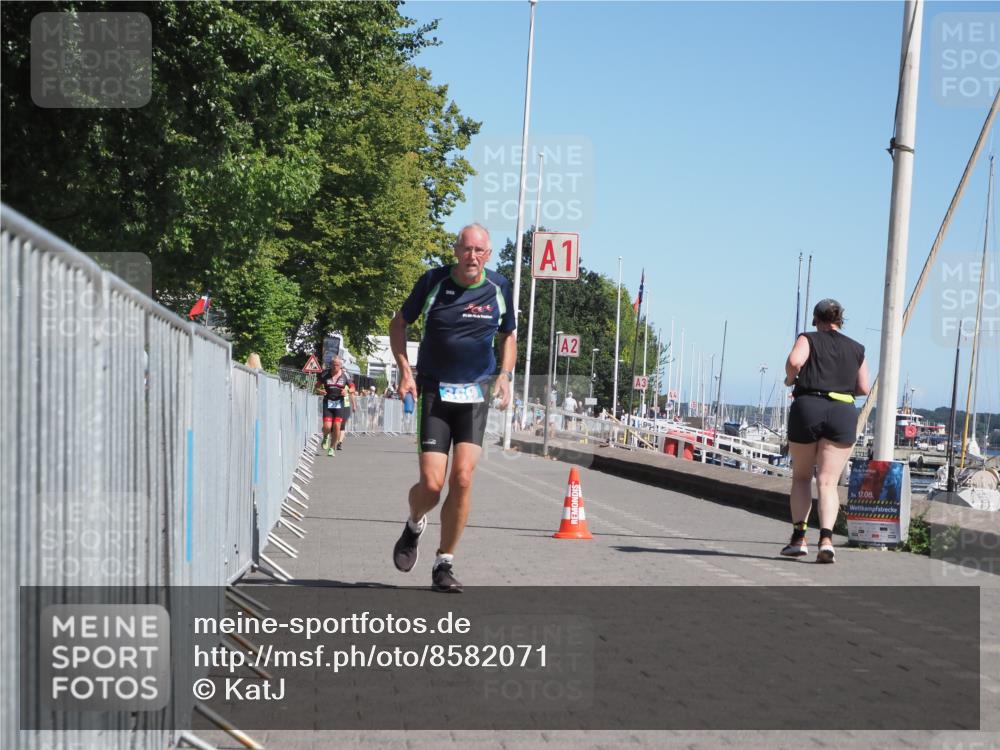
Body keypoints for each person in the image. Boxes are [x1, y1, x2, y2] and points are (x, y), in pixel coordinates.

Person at [389, 223, 516, 593]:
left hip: (474, 395)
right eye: (466, 249)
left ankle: (444, 563)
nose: (472, 257)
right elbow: (399, 324)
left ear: (488, 255)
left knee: (462, 479)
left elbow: (509, 335)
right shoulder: (432, 282)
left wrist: (505, 375)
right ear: (456, 250)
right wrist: (403, 371)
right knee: (431, 485)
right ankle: (414, 523)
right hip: (434, 391)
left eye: (479, 251)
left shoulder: (499, 287)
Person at [781, 298, 870, 563]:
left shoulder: (808, 338)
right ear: (839, 320)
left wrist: (789, 379)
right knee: (828, 481)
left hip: (809, 405)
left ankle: (799, 538)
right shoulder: (856, 349)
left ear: (815, 320)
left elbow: (795, 361)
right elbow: (864, 388)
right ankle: (827, 540)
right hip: (843, 411)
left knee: (801, 477)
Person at [315, 357, 352, 457]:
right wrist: (320, 391)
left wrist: (347, 391)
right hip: (328, 403)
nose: (335, 367)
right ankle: (326, 436)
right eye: (333, 364)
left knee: (337, 427)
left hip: (340, 404)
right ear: (331, 364)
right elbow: (317, 386)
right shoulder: (325, 374)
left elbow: (353, 388)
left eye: (337, 365)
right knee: (327, 426)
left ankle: (332, 448)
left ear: (341, 365)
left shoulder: (345, 375)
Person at [336, 380, 358, 451]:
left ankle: (340, 442)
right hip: (337, 406)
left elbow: (352, 395)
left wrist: (354, 405)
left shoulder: (348, 385)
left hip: (346, 406)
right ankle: (336, 440)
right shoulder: (336, 384)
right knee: (336, 424)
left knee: (342, 424)